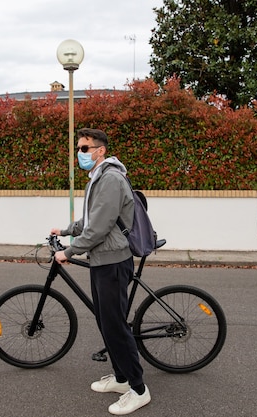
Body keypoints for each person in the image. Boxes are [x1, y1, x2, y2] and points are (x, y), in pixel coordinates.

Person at [51, 128, 151, 415]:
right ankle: (121, 379)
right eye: (78, 149)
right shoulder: (98, 178)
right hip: (102, 259)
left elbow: (99, 227)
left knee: (115, 326)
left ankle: (139, 389)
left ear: (100, 150)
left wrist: (69, 251)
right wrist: (66, 230)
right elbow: (91, 219)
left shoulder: (109, 178)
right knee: (106, 322)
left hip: (112, 262)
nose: (80, 154)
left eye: (85, 148)